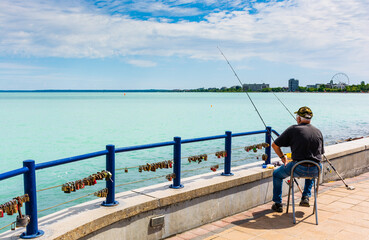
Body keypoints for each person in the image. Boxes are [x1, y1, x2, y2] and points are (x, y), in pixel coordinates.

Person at [271, 106, 324, 212]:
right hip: (316, 169)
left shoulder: (293, 129)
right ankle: (305, 197)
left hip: (298, 168)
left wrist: (283, 157)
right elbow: (319, 154)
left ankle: (278, 203)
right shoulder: (318, 132)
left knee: (276, 174)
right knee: (312, 168)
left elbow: (274, 145)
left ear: (299, 118)